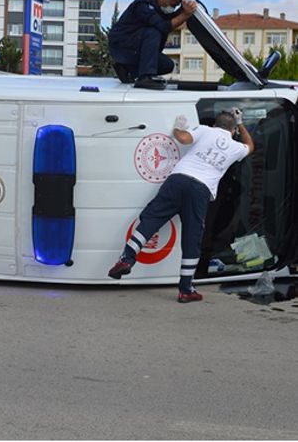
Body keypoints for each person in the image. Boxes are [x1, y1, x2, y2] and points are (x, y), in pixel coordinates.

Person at [108, 109, 255, 303]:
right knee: (192, 237)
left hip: (177, 180)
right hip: (200, 190)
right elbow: (250, 146)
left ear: (214, 125)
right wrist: (241, 124)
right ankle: (186, 290)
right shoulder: (236, 146)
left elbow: (184, 139)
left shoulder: (204, 130)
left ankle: (126, 259)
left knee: (151, 220)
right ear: (233, 130)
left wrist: (177, 127)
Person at [108, 0, 197, 90]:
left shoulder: (159, 7)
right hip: (121, 47)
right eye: (173, 5)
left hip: (134, 50)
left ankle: (127, 69)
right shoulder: (144, 4)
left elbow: (169, 19)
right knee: (153, 31)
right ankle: (145, 78)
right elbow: (163, 26)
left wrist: (183, 10)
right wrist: (185, 15)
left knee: (167, 65)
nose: (173, 8)